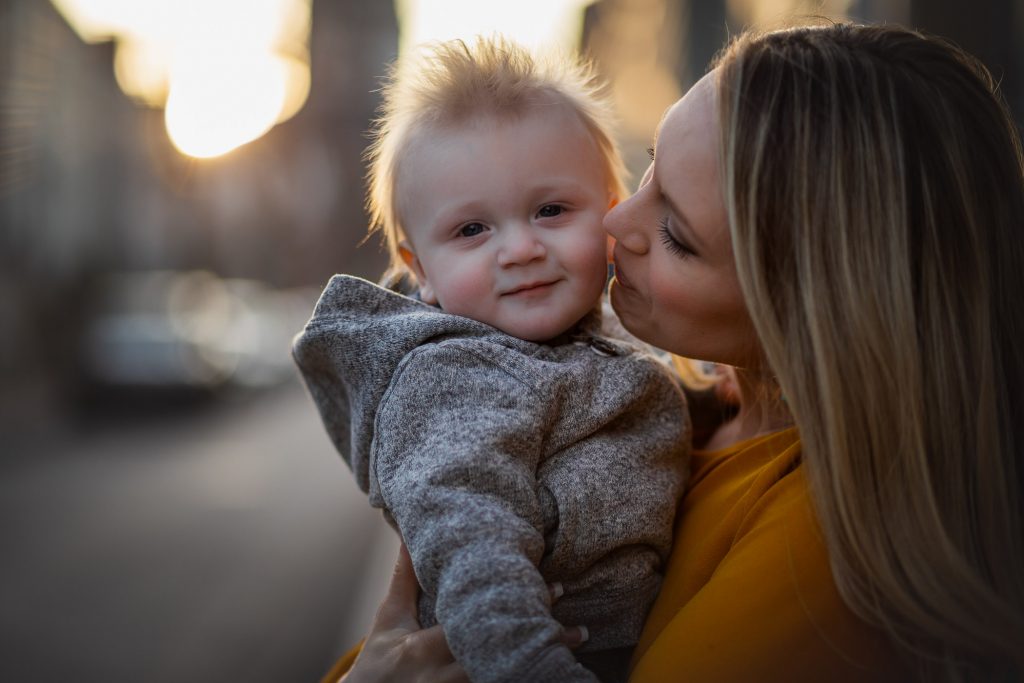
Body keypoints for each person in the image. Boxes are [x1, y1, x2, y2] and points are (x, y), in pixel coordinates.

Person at [324, 21, 1024, 683]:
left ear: (805, 307)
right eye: (651, 168)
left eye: (677, 234)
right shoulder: (685, 407)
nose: (618, 220)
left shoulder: (823, 557)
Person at [292, 37, 691, 683]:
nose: (521, 248)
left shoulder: (609, 336)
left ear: (611, 208)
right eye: (472, 230)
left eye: (551, 210)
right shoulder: (452, 379)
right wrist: (534, 665)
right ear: (419, 269)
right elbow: (471, 547)